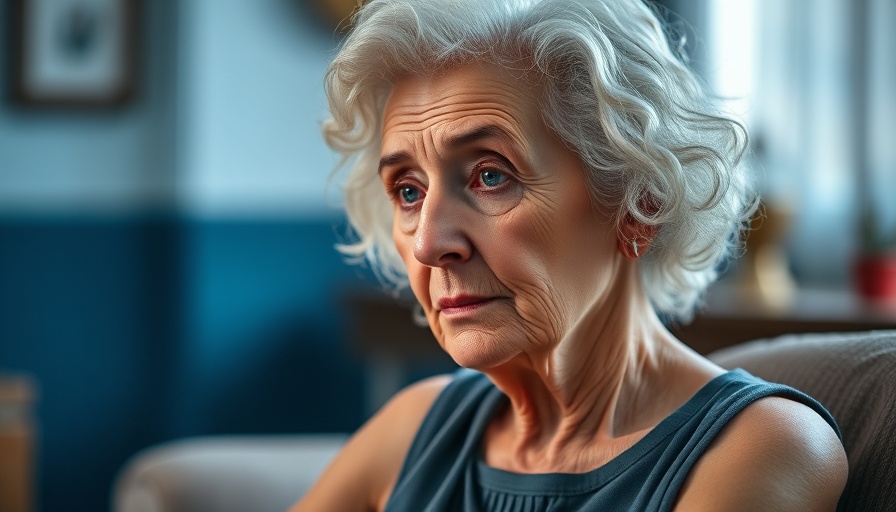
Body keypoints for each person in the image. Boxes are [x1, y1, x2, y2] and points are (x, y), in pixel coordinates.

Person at [293, 0, 847, 510]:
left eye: (490, 176)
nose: (429, 243)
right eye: (408, 191)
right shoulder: (415, 428)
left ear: (638, 205)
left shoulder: (760, 445)